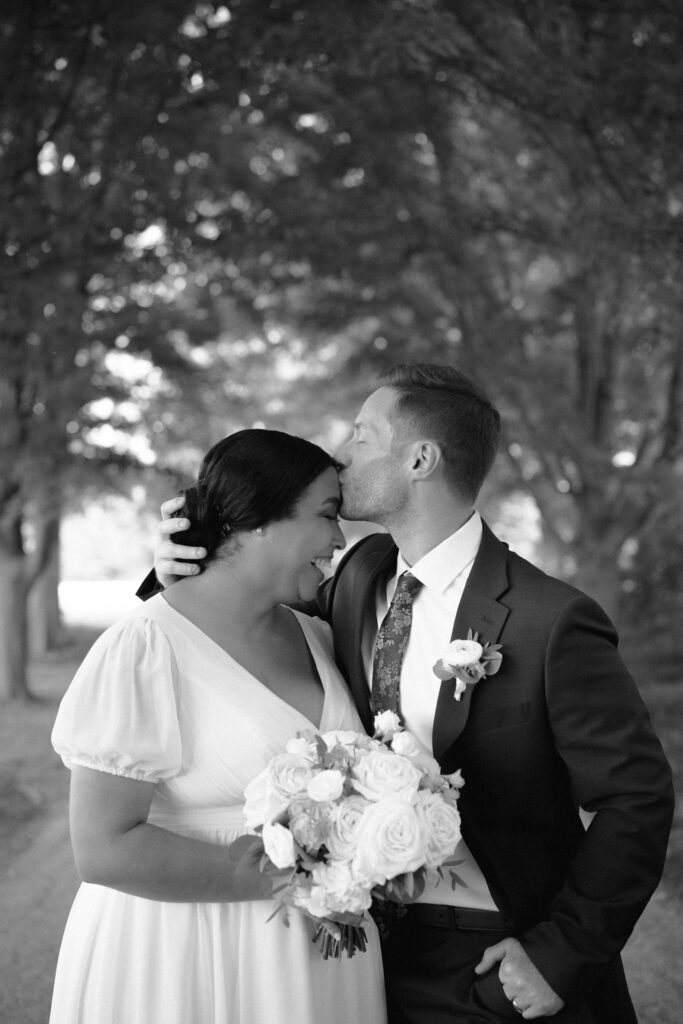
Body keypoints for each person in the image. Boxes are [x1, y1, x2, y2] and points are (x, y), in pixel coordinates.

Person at [144, 365, 674, 1024]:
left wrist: (558, 952)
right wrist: (178, 569)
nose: (340, 455)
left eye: (362, 436)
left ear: (419, 459)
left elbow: (636, 798)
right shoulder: (356, 576)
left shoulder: (550, 619)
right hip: (353, 947)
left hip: (490, 956)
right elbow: (242, 631)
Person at [50, 429, 387, 1024]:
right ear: (257, 519)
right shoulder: (145, 645)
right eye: (328, 515)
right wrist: (301, 876)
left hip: (316, 959)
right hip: (185, 955)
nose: (339, 539)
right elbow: (102, 848)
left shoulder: (318, 635)